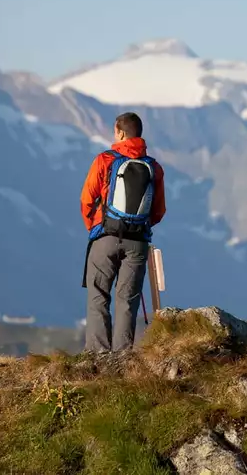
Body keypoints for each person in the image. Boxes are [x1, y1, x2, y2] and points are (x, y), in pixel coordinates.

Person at [79, 112, 166, 352]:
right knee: (127, 300)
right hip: (137, 243)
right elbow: (158, 211)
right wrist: (139, 228)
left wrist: (96, 228)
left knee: (98, 296)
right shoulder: (154, 168)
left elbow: (87, 199)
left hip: (105, 237)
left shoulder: (105, 160)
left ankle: (98, 354)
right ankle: (122, 357)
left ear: (119, 132)